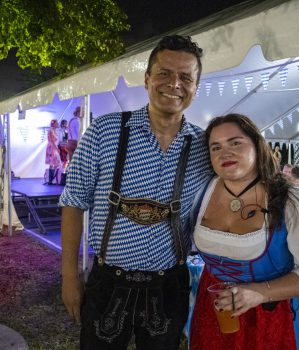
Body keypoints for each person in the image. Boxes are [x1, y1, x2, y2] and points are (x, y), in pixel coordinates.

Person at [59, 35, 211, 350]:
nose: (175, 84)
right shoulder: (104, 131)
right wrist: (69, 276)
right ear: (146, 79)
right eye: (165, 73)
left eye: (186, 77)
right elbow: (73, 204)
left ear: (196, 87)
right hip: (108, 280)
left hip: (169, 283)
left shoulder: (205, 146)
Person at [190, 114, 299, 350]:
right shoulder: (199, 193)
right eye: (216, 147)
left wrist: (260, 293)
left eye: (235, 143)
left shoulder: (293, 200)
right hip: (214, 311)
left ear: (257, 144)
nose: (225, 152)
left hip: (275, 315)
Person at [45, 119, 61, 184]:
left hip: (54, 147)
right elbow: (52, 140)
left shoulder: (54, 130)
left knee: (55, 163)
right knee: (53, 163)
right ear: (53, 124)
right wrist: (56, 148)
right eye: (56, 123)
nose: (58, 124)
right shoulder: (51, 130)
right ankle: (50, 179)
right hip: (52, 148)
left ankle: (52, 179)